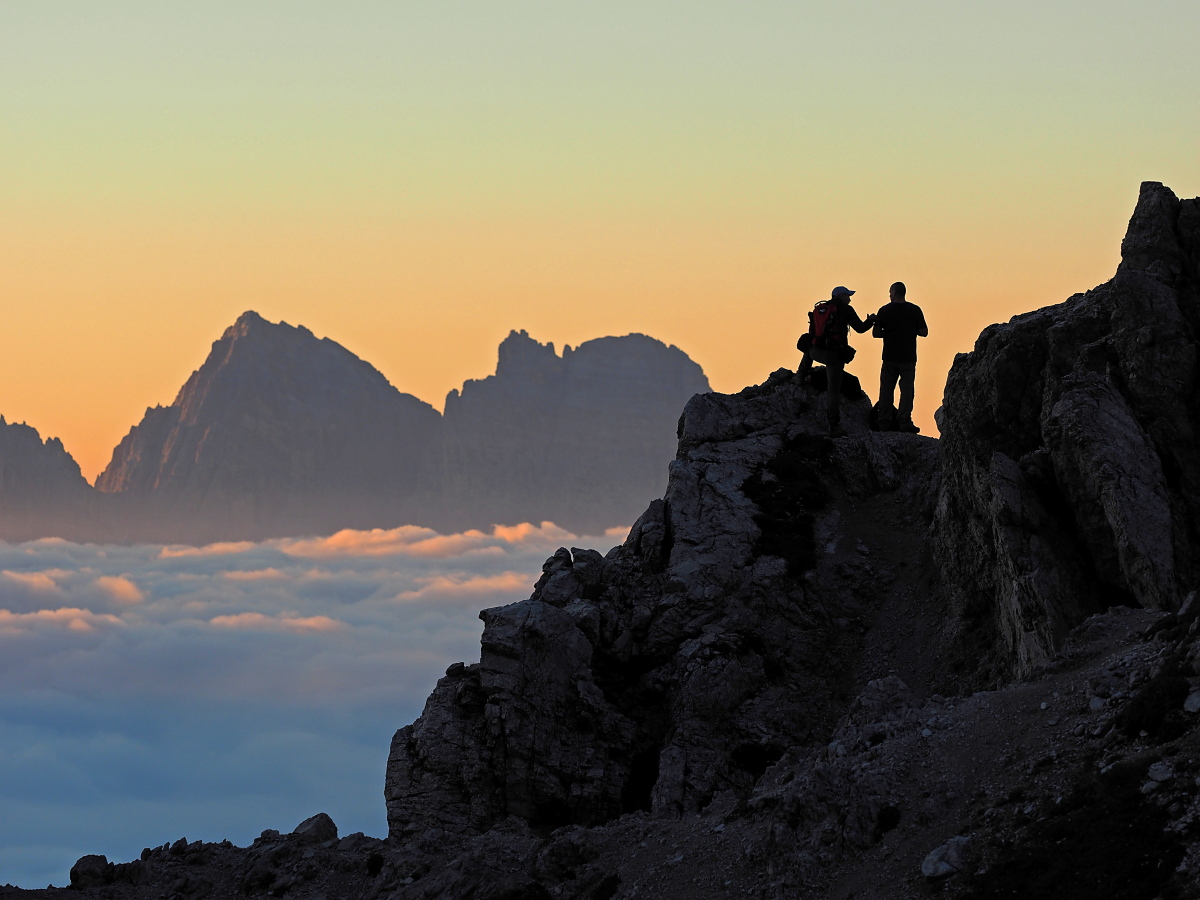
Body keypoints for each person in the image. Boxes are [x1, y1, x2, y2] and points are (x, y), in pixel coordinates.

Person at [797, 286, 875, 437]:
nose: (850, 299)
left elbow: (813, 333)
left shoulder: (820, 309)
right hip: (833, 356)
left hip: (815, 352)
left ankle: (799, 376)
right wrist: (871, 320)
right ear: (841, 296)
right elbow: (860, 328)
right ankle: (834, 425)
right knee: (834, 389)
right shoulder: (846, 309)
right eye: (848, 295)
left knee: (809, 345)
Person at [870, 281, 928, 433]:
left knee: (886, 390)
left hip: (889, 357)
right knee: (907, 390)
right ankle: (904, 422)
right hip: (908, 357)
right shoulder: (915, 310)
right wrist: (909, 331)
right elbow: (924, 332)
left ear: (894, 293)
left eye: (890, 293)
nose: (889, 295)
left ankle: (884, 423)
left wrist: (888, 333)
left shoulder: (884, 310)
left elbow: (875, 333)